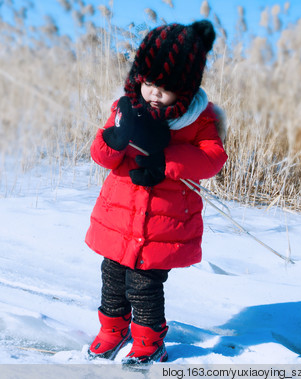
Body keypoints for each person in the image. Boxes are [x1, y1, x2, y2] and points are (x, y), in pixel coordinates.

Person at [85, 20, 228, 366]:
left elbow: (212, 158)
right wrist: (112, 142)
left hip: (161, 225)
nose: (154, 93)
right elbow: (100, 154)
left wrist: (165, 160)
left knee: (144, 283)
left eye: (165, 88)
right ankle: (111, 330)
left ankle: (149, 341)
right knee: (112, 278)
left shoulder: (198, 120)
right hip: (119, 218)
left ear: (187, 88)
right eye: (149, 83)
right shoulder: (125, 109)